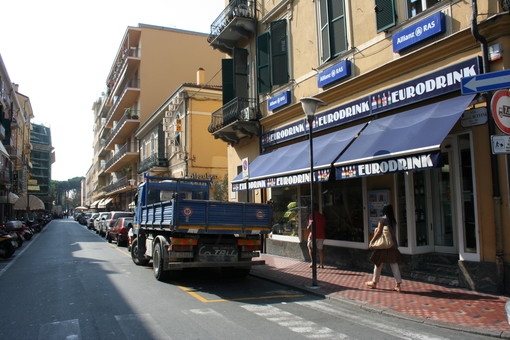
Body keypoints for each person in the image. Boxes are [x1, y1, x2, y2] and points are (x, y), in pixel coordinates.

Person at [365, 204, 405, 292]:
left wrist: (372, 241)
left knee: (378, 263)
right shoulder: (393, 220)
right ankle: (398, 285)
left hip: (383, 246)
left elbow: (379, 231)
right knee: (394, 264)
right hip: (392, 245)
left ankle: (374, 282)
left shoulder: (382, 219)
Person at [307, 204, 326, 268]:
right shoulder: (321, 216)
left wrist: (308, 229)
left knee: (310, 247)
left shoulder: (311, 215)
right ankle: (321, 264)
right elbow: (323, 225)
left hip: (313, 235)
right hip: (321, 235)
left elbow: (310, 226)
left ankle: (313, 262)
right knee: (320, 250)